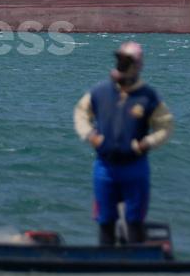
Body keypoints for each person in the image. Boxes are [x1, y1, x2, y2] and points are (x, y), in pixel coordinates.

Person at [73, 41, 174, 246]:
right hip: (105, 168)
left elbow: (165, 125)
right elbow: (80, 113)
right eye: (120, 60)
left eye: (127, 62)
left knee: (134, 220)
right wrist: (90, 135)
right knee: (105, 221)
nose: (122, 65)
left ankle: (136, 260)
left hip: (134, 167)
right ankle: (106, 261)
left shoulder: (148, 97)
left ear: (138, 65)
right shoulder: (100, 92)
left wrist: (146, 143)